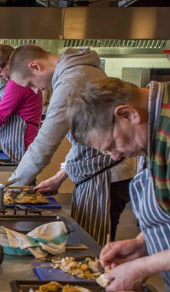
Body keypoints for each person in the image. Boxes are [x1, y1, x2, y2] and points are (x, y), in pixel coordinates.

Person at [7, 44, 134, 245]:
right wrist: (61, 176)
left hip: (105, 177)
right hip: (96, 172)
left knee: (92, 250)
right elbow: (84, 138)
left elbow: (44, 144)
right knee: (87, 244)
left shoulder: (71, 80)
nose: (36, 89)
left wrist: (9, 189)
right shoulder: (79, 70)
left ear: (35, 66)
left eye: (30, 82)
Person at [66, 77, 170, 292]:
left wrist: (141, 268)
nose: (114, 157)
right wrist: (143, 243)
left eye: (113, 145)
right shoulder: (150, 124)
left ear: (127, 114)